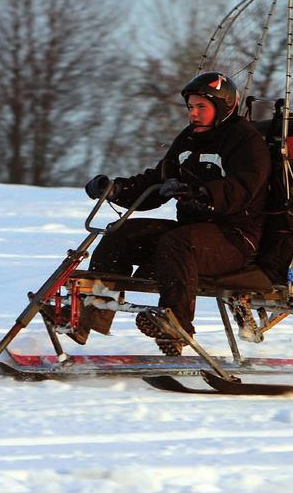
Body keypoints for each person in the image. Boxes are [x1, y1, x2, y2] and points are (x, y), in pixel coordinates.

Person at [71, 71, 271, 355]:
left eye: (202, 107)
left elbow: (243, 187)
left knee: (178, 243)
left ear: (224, 107)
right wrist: (116, 189)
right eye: (191, 107)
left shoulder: (245, 141)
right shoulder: (189, 139)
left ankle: (176, 326)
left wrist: (203, 192)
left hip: (235, 238)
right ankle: (90, 315)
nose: (194, 114)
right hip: (192, 234)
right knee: (122, 233)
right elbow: (157, 178)